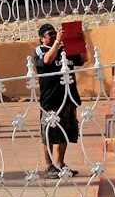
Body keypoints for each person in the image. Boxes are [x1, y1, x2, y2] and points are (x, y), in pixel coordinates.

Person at [33, 22, 82, 175]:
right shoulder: (40, 50)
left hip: (68, 96)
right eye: (50, 34)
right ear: (42, 38)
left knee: (65, 131)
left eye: (55, 33)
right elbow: (47, 61)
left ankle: (60, 163)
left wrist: (80, 40)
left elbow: (83, 58)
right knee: (48, 132)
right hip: (50, 98)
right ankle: (49, 166)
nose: (54, 35)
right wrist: (57, 42)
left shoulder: (65, 49)